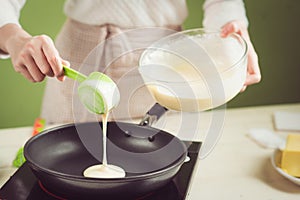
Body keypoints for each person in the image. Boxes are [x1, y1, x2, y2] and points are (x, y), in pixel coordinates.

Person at [0, 0, 261, 125]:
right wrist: (15, 38)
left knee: (156, 170)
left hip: (166, 60)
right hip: (79, 58)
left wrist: (228, 35)